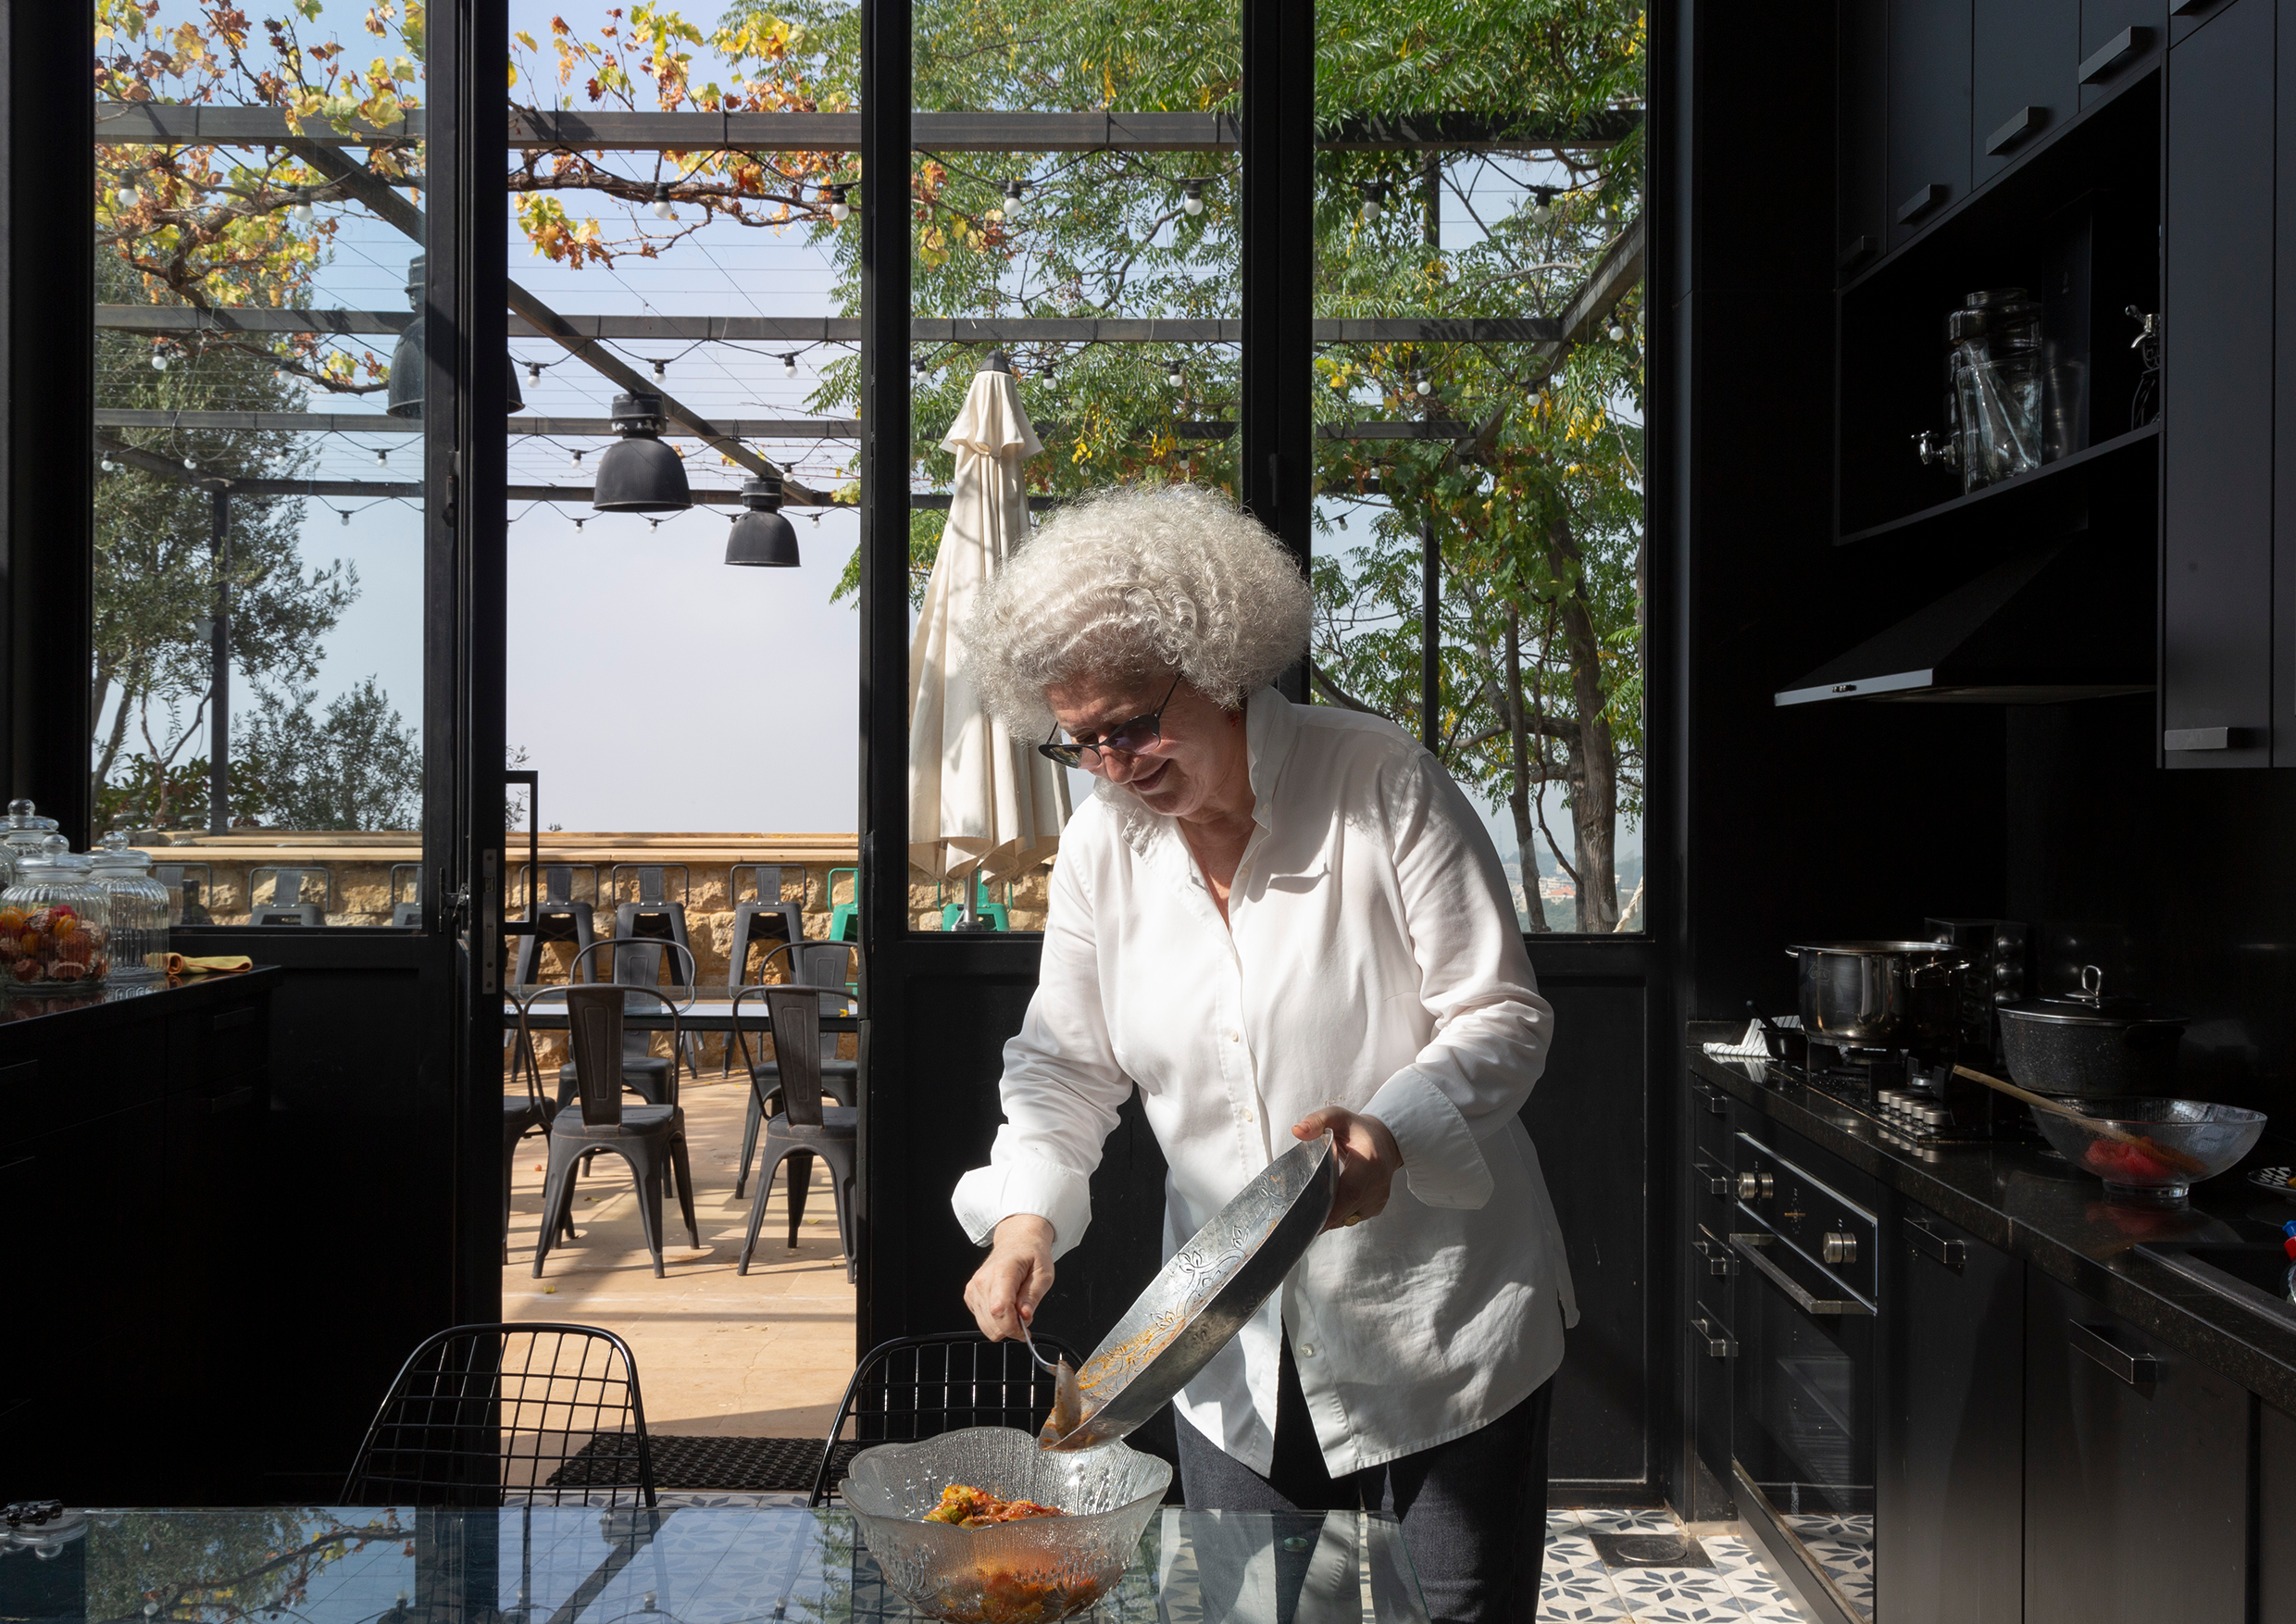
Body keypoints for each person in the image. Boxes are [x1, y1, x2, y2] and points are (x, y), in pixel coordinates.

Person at [951, 484, 1575, 1624]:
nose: (1112, 762)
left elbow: (1499, 1012)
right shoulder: (1101, 845)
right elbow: (1065, 1063)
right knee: (1258, 1612)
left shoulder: (1378, 780)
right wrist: (1028, 1214)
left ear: (1220, 660)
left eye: (1133, 721)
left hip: (1438, 1312)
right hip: (1217, 1339)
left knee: (1458, 1611)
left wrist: (1389, 1129)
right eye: (1077, 739)